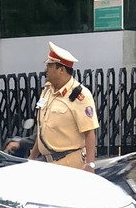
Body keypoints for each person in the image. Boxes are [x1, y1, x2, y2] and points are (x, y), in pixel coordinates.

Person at [28, 42, 98, 170]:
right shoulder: (47, 91)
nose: (45, 70)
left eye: (49, 66)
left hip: (71, 164)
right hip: (48, 163)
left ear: (61, 69)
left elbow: (89, 133)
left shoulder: (80, 96)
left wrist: (90, 164)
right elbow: (43, 131)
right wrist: (32, 158)